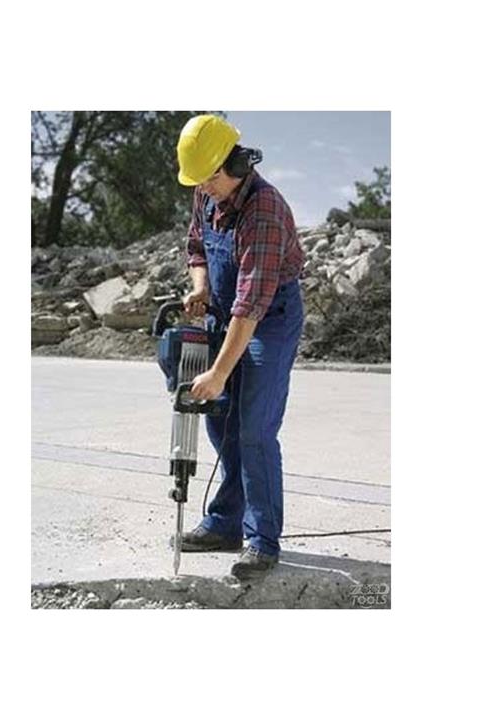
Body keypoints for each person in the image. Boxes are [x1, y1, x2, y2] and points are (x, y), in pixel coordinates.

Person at [176, 114, 306, 580]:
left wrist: (219, 372)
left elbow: (250, 306)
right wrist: (200, 285)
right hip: (224, 309)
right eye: (199, 181)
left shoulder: (264, 210)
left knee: (254, 429)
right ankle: (226, 523)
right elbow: (197, 245)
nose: (204, 188)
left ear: (236, 164)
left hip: (269, 319)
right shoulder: (207, 189)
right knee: (221, 421)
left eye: (211, 178)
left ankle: (262, 541)